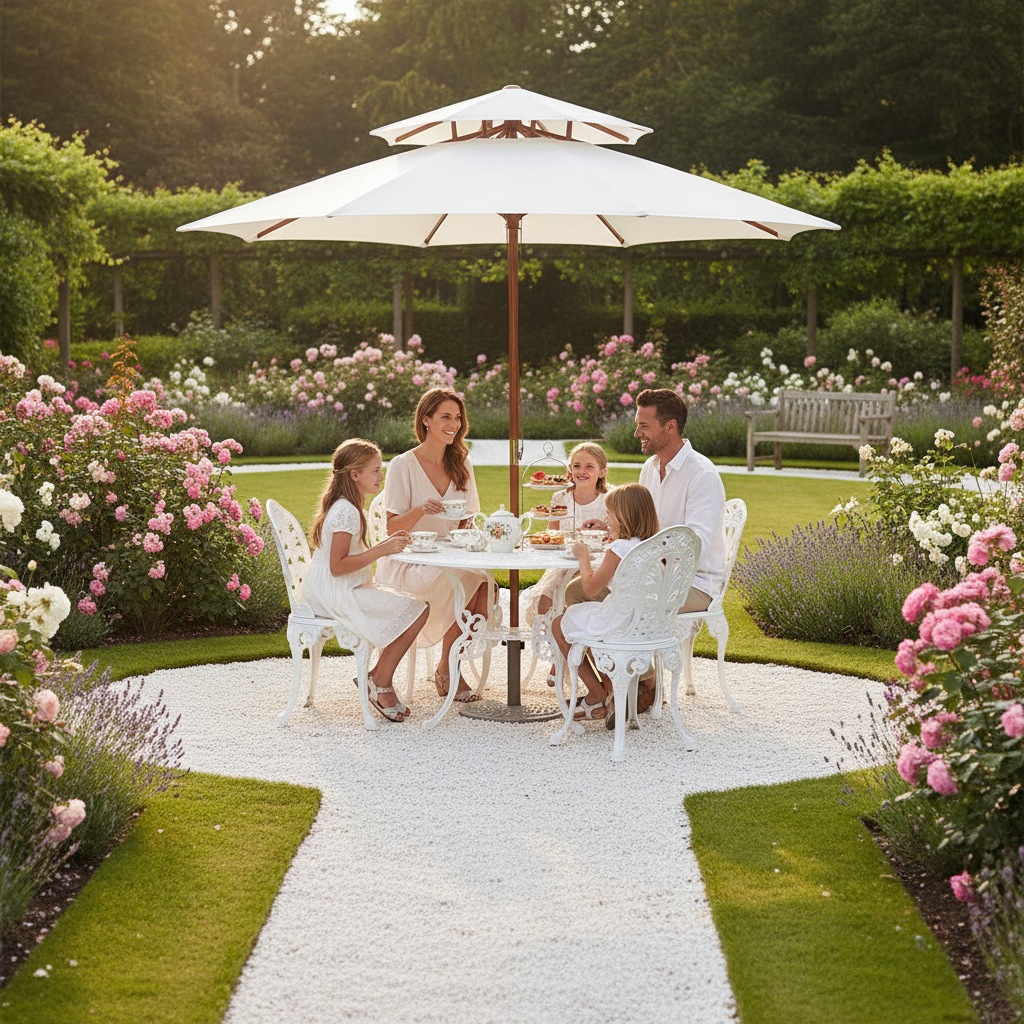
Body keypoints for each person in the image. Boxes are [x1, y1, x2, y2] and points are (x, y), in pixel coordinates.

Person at [375, 388, 493, 703]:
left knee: (485, 583)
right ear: (426, 420)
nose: (453, 424)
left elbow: (468, 519)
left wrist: (465, 533)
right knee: (468, 579)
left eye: (458, 418)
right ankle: (447, 672)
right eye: (445, 417)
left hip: (450, 558)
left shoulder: (462, 463)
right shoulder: (402, 465)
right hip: (407, 562)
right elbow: (391, 527)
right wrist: (420, 511)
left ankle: (448, 665)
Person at [303, 439, 429, 723]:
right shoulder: (346, 511)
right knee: (418, 608)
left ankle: (379, 678)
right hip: (336, 592)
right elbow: (337, 566)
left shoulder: (348, 506)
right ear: (355, 475)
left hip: (339, 586)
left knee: (416, 606)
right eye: (375, 470)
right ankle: (379, 680)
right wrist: (381, 550)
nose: (380, 476)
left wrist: (385, 545)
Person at [551, 483, 660, 721]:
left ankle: (596, 692)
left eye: (610, 515)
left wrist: (583, 557)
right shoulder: (651, 546)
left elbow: (590, 587)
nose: (606, 519)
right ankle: (609, 693)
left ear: (625, 517)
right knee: (581, 612)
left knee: (559, 624)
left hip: (618, 624)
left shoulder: (619, 549)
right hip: (644, 626)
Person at [522, 442, 613, 685]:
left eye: (589, 466)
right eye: (576, 466)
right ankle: (560, 654)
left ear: (602, 471)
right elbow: (551, 534)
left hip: (593, 565)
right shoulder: (560, 497)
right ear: (569, 470)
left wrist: (603, 530)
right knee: (544, 603)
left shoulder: (608, 499)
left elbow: (616, 537)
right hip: (563, 562)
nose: (582, 471)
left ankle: (562, 660)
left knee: (567, 602)